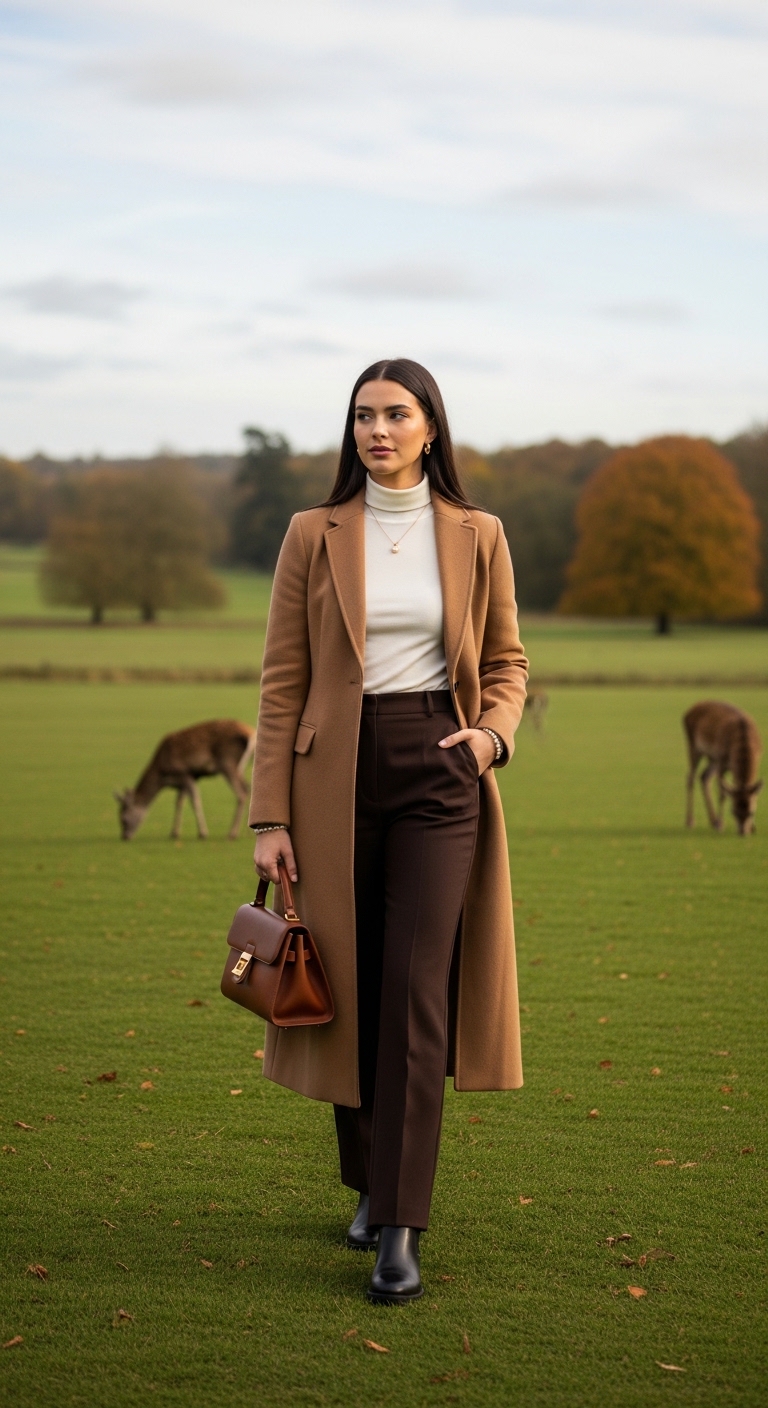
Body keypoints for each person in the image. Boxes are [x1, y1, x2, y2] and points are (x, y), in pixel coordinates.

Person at [250, 358, 528, 1304]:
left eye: (396, 414)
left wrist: (491, 735)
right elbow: (282, 679)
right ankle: (368, 1182)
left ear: (430, 428)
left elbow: (507, 660)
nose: (377, 429)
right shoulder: (312, 532)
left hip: (440, 763)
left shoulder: (478, 533)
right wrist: (269, 815)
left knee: (414, 987)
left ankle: (399, 1225)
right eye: (363, 415)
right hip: (333, 776)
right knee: (352, 985)